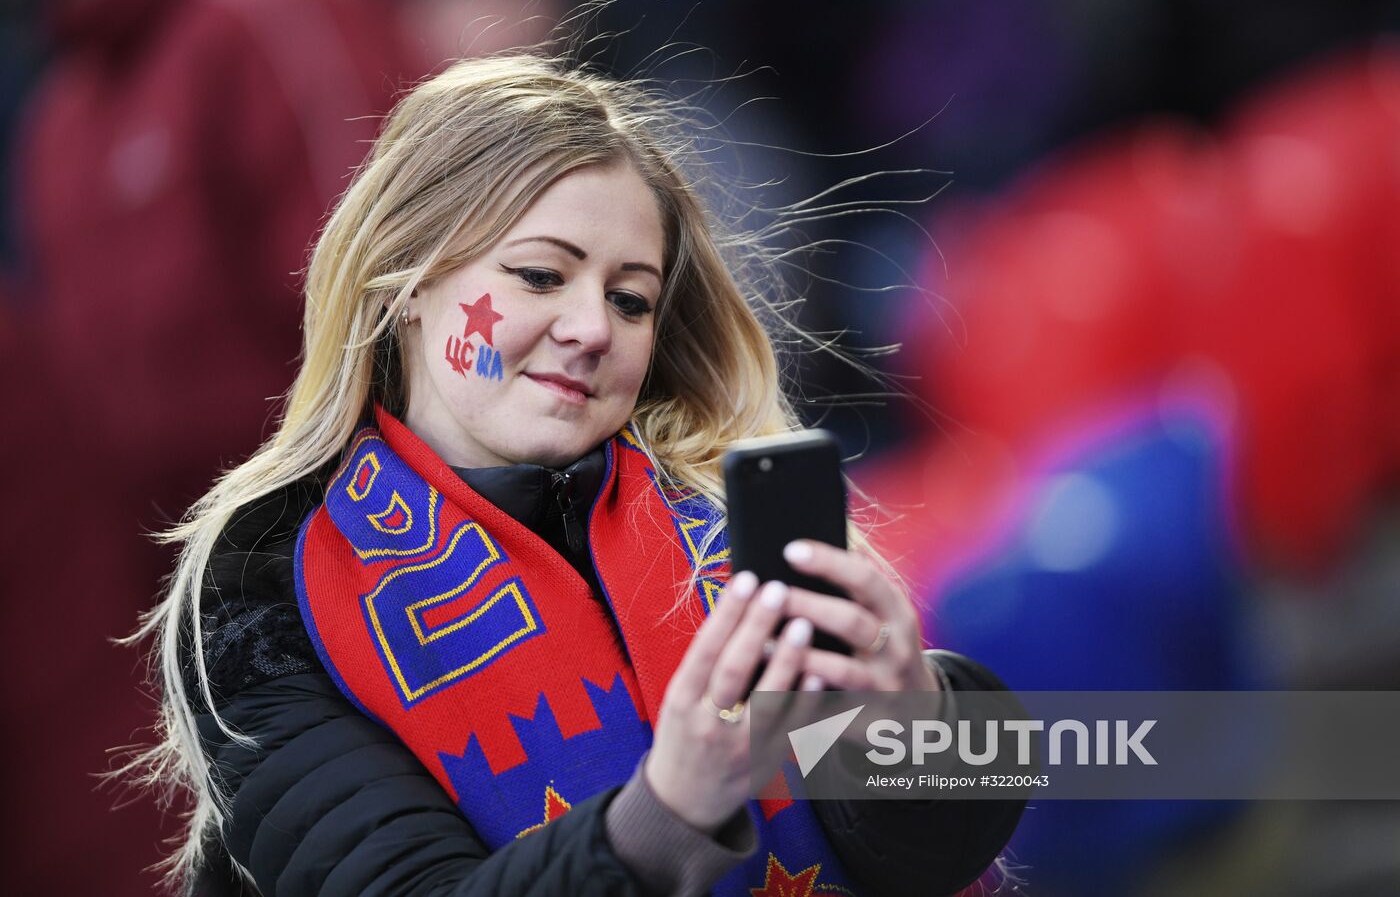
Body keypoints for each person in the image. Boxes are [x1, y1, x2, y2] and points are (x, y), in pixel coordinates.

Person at [133, 52, 1026, 896]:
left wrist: (914, 722)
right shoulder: (263, 588)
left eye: (630, 298)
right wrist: (662, 816)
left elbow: (976, 815)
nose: (593, 328)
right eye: (540, 275)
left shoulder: (728, 513)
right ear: (404, 279)